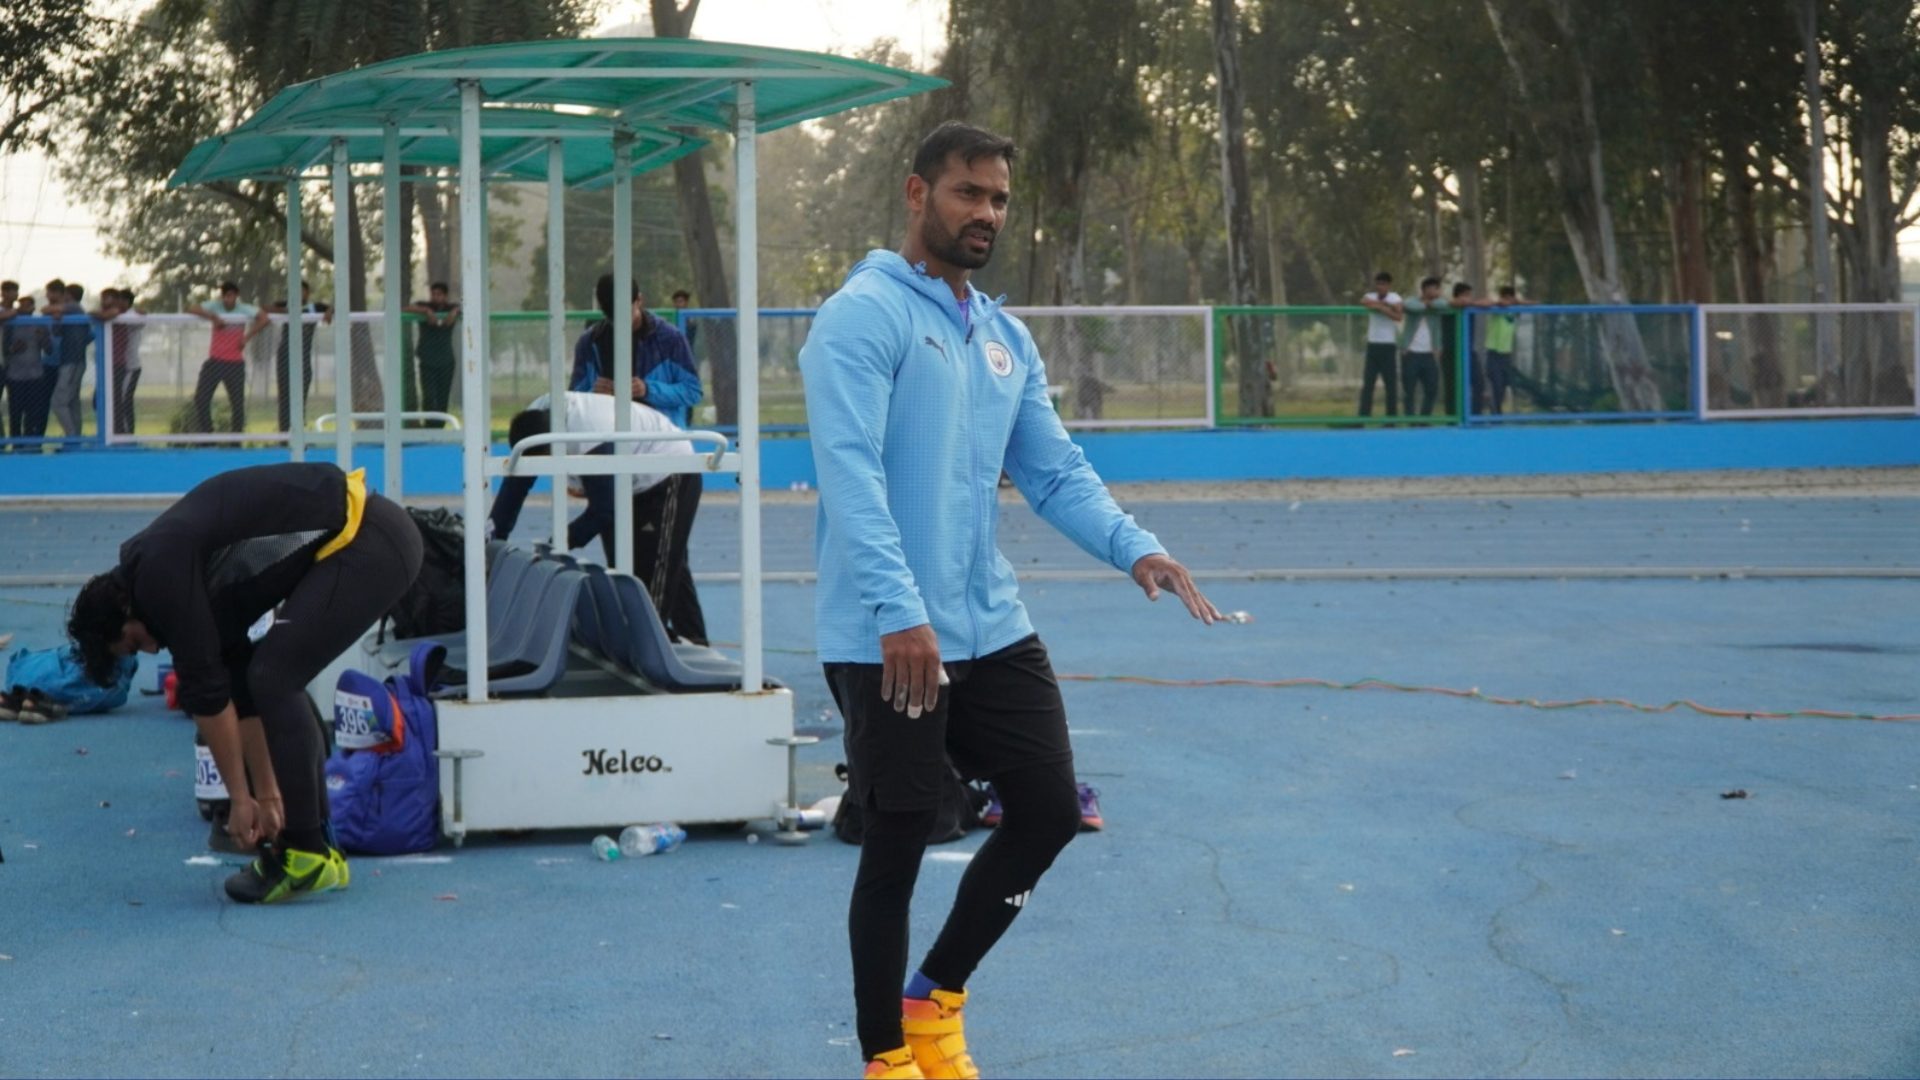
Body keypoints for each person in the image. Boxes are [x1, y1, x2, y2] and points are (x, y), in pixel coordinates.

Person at [797, 120, 1220, 1080]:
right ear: (918, 194)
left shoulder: (1001, 334)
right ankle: (884, 1058)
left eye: (997, 199)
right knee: (900, 837)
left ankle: (935, 1000)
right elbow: (851, 476)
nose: (986, 213)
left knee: (1047, 810)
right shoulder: (861, 317)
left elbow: (1053, 469)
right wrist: (900, 612)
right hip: (887, 633)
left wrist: (1135, 547)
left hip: (989, 624)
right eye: (968, 193)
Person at [66, 462, 423, 904]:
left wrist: (239, 799)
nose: (153, 650)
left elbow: (207, 699)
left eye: (136, 642)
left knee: (277, 676)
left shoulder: (158, 573)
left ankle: (306, 853)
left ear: (124, 611)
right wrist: (267, 797)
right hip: (368, 540)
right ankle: (320, 847)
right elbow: (240, 693)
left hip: (369, 539)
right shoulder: (173, 575)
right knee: (266, 678)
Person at [488, 390, 708, 644]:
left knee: (655, 568)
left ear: (554, 448)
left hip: (669, 470)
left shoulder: (589, 437)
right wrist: (493, 539)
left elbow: (604, 510)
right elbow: (515, 487)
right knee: (639, 564)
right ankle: (694, 639)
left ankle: (650, 644)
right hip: (626, 475)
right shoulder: (534, 426)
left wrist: (560, 541)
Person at [569, 275, 703, 428]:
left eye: (625, 314)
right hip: (607, 434)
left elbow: (693, 391)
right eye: (612, 316)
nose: (619, 322)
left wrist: (648, 390)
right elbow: (573, 399)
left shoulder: (670, 338)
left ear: (639, 300)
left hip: (660, 436)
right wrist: (593, 394)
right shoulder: (589, 342)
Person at [248, 283, 331, 433]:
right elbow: (264, 308)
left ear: (307, 293)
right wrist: (286, 311)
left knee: (300, 398)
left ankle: (299, 432)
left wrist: (328, 313)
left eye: (302, 291)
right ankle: (284, 434)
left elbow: (332, 308)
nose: (298, 294)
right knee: (284, 398)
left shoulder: (314, 307)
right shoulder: (284, 305)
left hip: (303, 359)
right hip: (284, 358)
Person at [190, 281, 258, 433]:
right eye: (225, 296)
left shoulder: (243, 309)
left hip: (235, 363)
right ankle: (208, 435)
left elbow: (264, 318)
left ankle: (236, 439)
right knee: (201, 399)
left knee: (237, 404)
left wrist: (246, 337)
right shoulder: (215, 306)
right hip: (215, 361)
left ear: (236, 296)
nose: (227, 299)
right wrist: (213, 317)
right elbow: (192, 308)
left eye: (231, 296)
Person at [92, 288, 147, 434]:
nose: (117, 303)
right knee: (101, 401)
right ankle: (111, 432)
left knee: (122, 401)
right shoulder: (112, 315)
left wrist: (142, 312)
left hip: (129, 366)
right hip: (111, 365)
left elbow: (141, 318)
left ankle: (126, 434)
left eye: (120, 300)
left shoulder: (130, 316)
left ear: (127, 302)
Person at [404, 282, 459, 427]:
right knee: (429, 396)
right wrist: (426, 311)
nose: (435, 297)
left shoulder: (451, 308)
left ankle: (440, 427)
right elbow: (404, 308)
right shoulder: (424, 306)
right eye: (433, 294)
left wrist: (455, 312)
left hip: (446, 361)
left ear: (445, 296)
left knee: (443, 396)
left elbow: (466, 307)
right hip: (427, 360)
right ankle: (429, 426)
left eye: (439, 294)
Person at [43, 282, 92, 438]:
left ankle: (71, 437)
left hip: (72, 362)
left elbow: (45, 310)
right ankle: (75, 437)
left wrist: (56, 311)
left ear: (68, 295)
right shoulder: (70, 312)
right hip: (70, 361)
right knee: (72, 402)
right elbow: (57, 332)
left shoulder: (74, 307)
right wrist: (57, 318)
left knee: (58, 402)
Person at [1398, 276, 1449, 417]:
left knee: (1432, 388)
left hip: (1430, 354)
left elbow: (1444, 304)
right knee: (1409, 389)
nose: (1435, 291)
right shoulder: (1413, 300)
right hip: (1410, 353)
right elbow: (1409, 305)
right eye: (1432, 288)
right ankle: (1410, 420)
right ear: (1424, 289)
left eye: (1437, 289)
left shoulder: (1438, 303)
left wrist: (1430, 304)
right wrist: (1426, 304)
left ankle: (1424, 419)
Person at [4, 293, 51, 440]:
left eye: (27, 305)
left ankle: (30, 441)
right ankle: (16, 443)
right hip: (15, 375)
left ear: (33, 307)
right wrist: (13, 348)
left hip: (35, 375)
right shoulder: (11, 324)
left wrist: (42, 338)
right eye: (22, 305)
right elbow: (4, 349)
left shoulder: (40, 324)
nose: (24, 308)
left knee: (33, 412)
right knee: (15, 412)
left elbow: (49, 350)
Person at [1357, 271, 1403, 417]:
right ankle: (1363, 418)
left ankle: (1391, 420)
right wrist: (1383, 306)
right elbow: (1364, 302)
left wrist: (1381, 307)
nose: (1380, 287)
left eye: (1383, 284)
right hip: (1373, 345)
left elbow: (1398, 314)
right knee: (1368, 384)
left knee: (1390, 384)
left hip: (1388, 345)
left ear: (1388, 285)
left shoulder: (1394, 297)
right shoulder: (1371, 296)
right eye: (1378, 284)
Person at [1484, 285, 1535, 415]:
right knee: (1497, 384)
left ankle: (1496, 410)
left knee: (1504, 385)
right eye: (1505, 298)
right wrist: (1501, 302)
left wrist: (1518, 302)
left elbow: (1533, 304)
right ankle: (1495, 413)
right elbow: (1492, 303)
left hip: (1506, 354)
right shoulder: (1497, 310)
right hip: (1493, 352)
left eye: (1510, 298)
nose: (1508, 301)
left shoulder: (1514, 311)